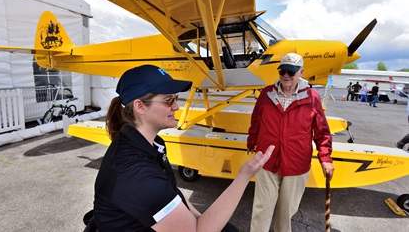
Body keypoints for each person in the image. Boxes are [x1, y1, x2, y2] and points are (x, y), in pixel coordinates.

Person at [87, 64, 274, 232]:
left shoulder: (154, 143)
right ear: (140, 106)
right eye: (169, 100)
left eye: (176, 98)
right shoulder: (135, 171)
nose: (177, 106)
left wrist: (203, 218)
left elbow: (173, 194)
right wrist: (243, 176)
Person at [247, 53, 334, 232]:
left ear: (301, 72)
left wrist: (325, 158)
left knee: (286, 211)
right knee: (261, 208)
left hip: (296, 163)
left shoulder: (312, 97)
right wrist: (251, 142)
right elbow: (256, 121)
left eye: (291, 72)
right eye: (283, 71)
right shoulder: (266, 94)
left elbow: (322, 131)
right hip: (267, 160)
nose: (286, 75)